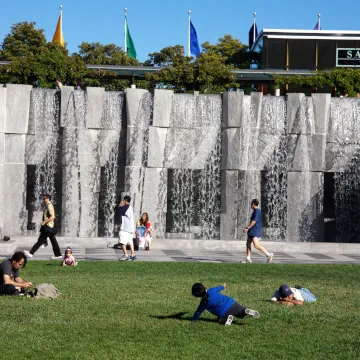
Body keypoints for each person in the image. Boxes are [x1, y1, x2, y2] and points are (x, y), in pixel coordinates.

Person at [191, 283, 260, 326]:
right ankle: (245, 311)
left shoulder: (203, 303)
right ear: (204, 287)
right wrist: (223, 286)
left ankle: (228, 319)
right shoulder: (211, 290)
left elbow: (198, 312)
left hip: (224, 312)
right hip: (231, 303)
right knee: (240, 312)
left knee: (219, 320)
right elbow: (219, 288)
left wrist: (193, 320)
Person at [24, 194, 62, 260]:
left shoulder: (49, 206)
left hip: (48, 226)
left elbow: (53, 217)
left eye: (44, 198)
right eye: (43, 198)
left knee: (40, 240)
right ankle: (58, 254)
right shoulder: (47, 206)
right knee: (53, 241)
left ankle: (31, 253)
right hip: (49, 226)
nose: (43, 200)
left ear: (48, 199)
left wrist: (44, 222)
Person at [243, 199, 273, 263]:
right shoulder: (255, 211)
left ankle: (268, 254)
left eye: (251, 203)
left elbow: (254, 221)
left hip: (255, 230)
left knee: (256, 245)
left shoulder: (257, 211)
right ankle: (248, 258)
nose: (250, 205)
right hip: (252, 230)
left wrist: (247, 227)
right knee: (248, 244)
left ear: (253, 204)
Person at [116, 195, 136, 261]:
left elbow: (118, 212)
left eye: (123, 200)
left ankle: (126, 255)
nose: (122, 201)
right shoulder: (130, 207)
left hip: (125, 228)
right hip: (130, 228)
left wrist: (119, 205)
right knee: (130, 242)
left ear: (125, 201)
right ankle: (133, 255)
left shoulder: (125, 207)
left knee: (122, 242)